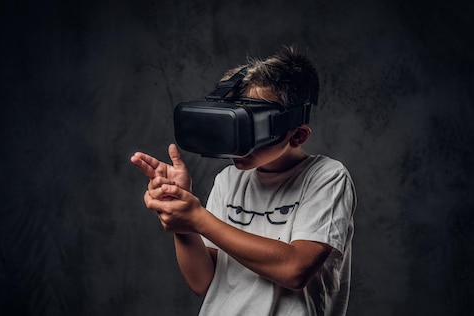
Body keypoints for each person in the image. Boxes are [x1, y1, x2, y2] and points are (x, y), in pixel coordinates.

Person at [130, 47, 356, 316]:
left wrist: (198, 218)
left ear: (296, 136)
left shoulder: (327, 176)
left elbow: (295, 270)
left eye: (249, 128)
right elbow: (203, 282)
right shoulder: (229, 179)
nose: (236, 145)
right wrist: (183, 219)